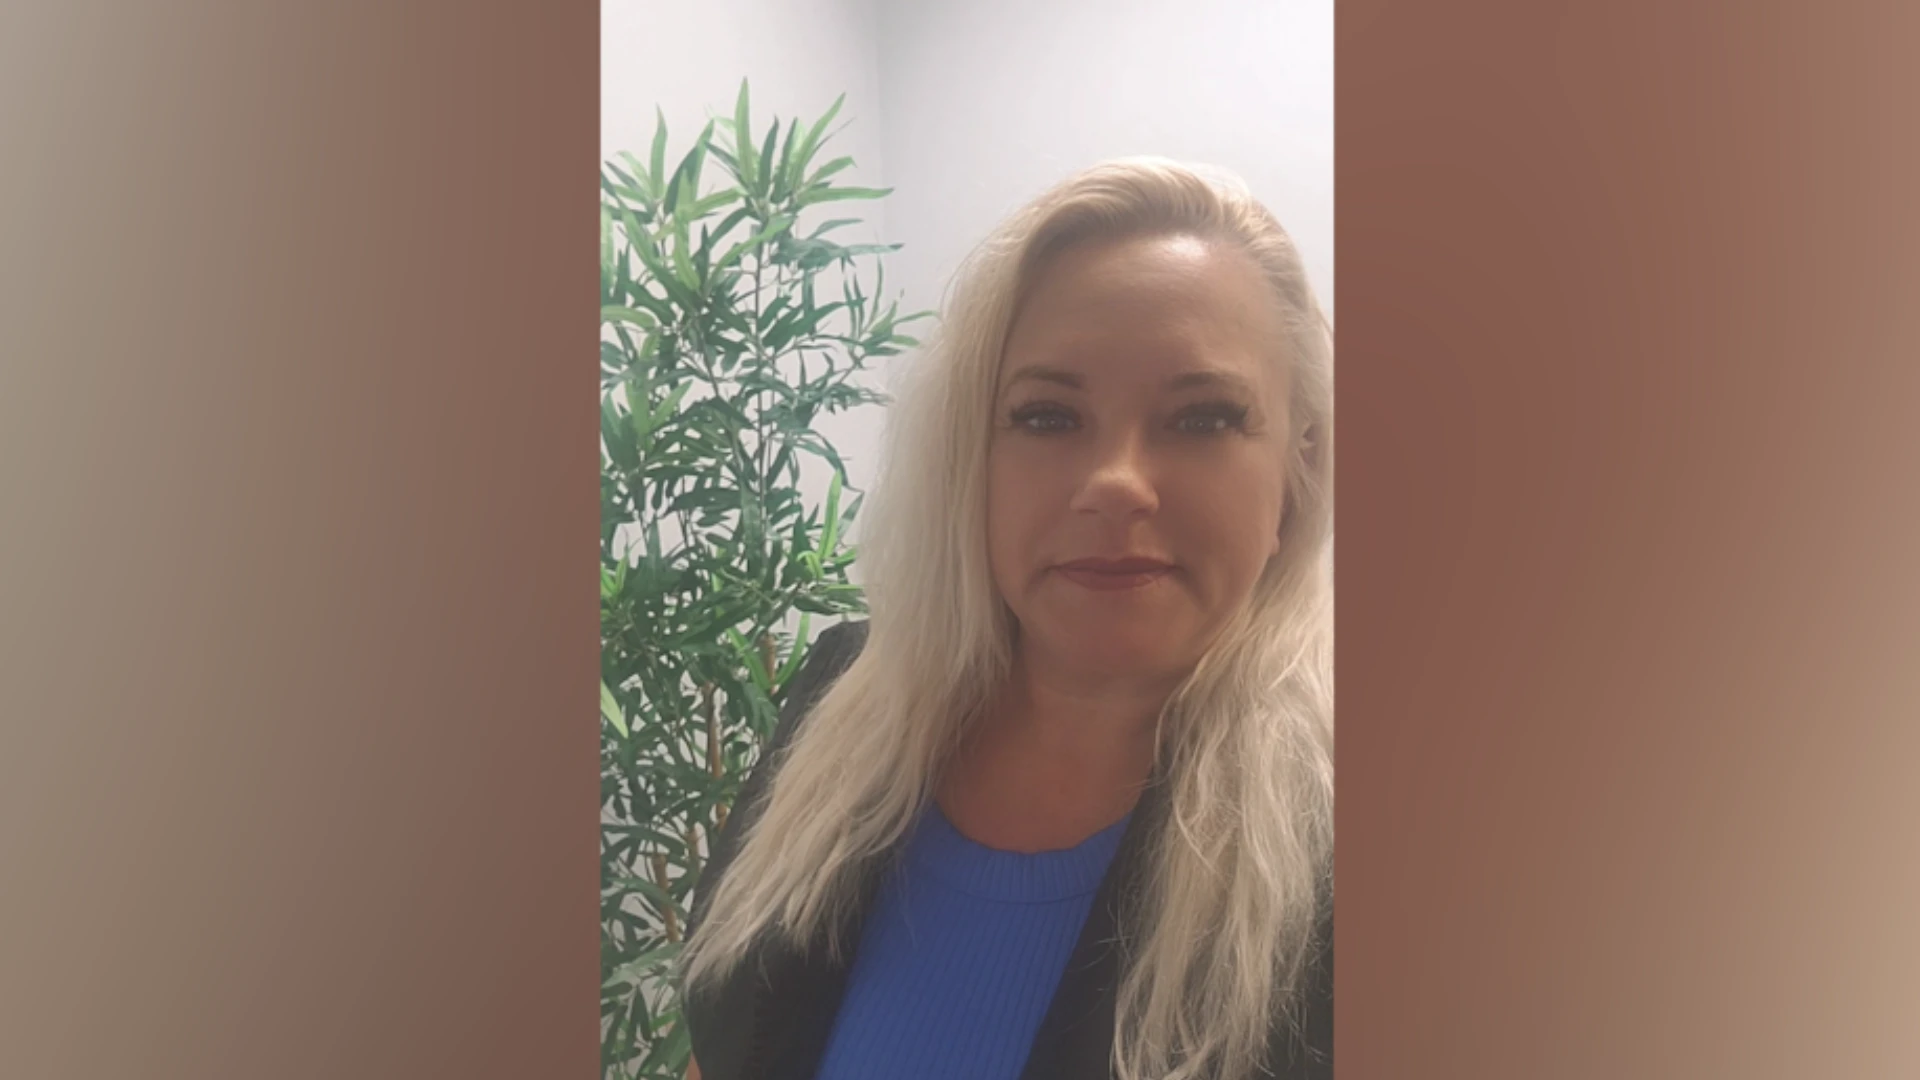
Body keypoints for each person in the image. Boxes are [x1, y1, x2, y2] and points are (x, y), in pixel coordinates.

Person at [680, 157, 1333, 1080]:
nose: (1115, 482)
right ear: (971, 458)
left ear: (1297, 473)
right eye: (1047, 417)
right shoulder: (841, 702)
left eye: (1202, 419)